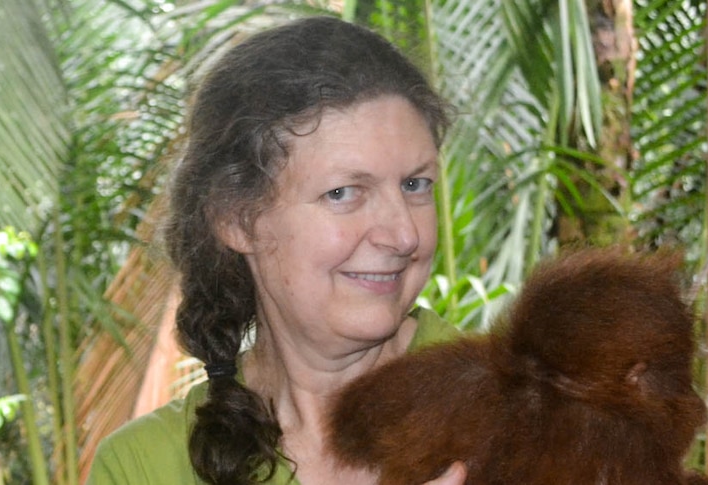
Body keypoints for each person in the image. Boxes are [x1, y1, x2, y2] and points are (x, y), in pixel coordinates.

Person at [87, 15, 468, 485]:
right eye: (344, 192)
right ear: (236, 219)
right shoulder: (143, 466)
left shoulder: (525, 406)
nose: (404, 234)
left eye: (415, 184)